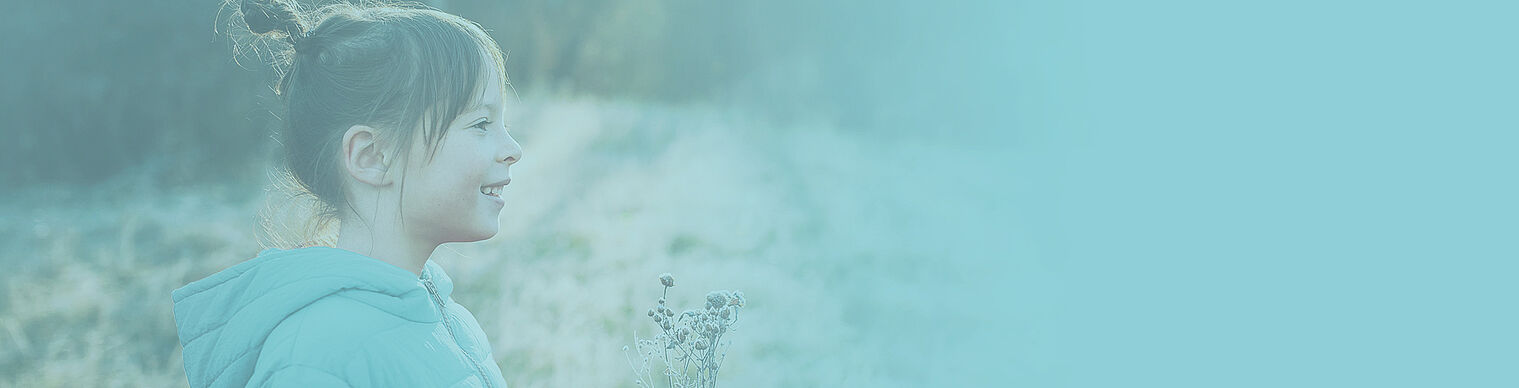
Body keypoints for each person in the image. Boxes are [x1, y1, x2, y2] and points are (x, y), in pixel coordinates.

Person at [171, 0, 521, 386]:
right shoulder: (317, 358)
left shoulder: (443, 314)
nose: (512, 149)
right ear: (373, 156)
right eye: (481, 124)